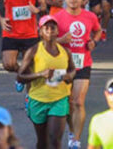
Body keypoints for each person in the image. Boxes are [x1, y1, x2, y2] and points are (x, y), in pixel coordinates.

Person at [17, 15, 76, 149]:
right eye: (46, 28)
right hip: (38, 99)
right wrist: (40, 74)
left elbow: (73, 69)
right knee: (43, 142)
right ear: (40, 32)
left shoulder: (65, 51)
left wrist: (68, 76)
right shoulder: (33, 51)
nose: (50, 30)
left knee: (55, 141)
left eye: (52, 28)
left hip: (59, 99)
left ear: (57, 31)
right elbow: (20, 76)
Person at [54, 0, 101, 149]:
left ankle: (75, 139)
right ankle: (72, 129)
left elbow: (98, 30)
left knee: (78, 102)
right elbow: (45, 40)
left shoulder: (90, 16)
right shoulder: (57, 17)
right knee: (68, 103)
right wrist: (60, 41)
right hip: (62, 65)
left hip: (83, 64)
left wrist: (93, 41)